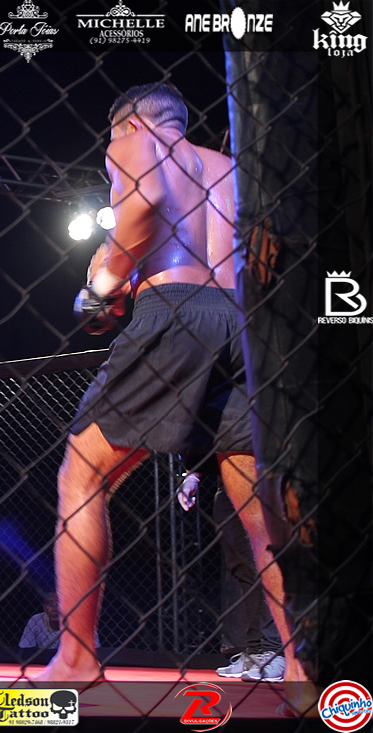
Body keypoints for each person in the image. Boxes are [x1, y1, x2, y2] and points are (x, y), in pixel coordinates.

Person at [37, 82, 311, 711]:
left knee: (83, 475)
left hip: (175, 312)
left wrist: (105, 280)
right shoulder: (234, 169)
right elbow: (266, 253)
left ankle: (76, 656)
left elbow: (147, 201)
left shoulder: (136, 142)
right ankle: (303, 666)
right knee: (258, 508)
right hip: (242, 325)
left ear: (130, 124)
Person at [178, 469, 284, 681]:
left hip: (261, 477)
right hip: (226, 482)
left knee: (267, 562)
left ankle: (276, 651)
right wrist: (193, 475)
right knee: (243, 568)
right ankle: (255, 650)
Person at [19, 592, 100, 650]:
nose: (54, 608)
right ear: (44, 608)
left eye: (59, 603)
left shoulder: (81, 622)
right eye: (50, 604)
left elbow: (96, 650)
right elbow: (25, 649)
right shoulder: (36, 620)